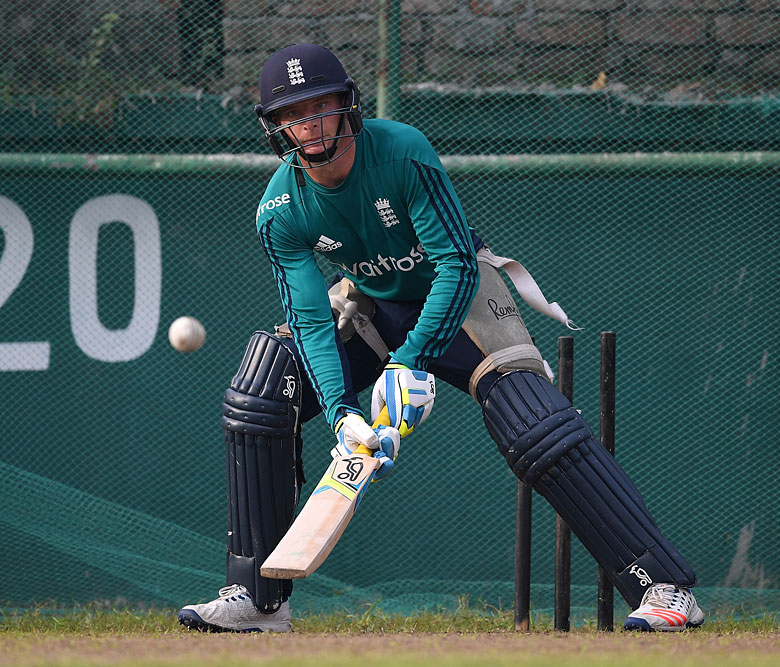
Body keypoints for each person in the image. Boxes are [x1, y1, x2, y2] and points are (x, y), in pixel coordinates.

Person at [177, 43, 704, 634]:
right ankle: (256, 600)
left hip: (458, 297)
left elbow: (454, 263)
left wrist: (411, 362)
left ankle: (662, 588)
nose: (312, 125)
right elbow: (308, 317)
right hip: (372, 303)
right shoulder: (279, 210)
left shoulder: (402, 149)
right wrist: (341, 413)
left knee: (534, 425)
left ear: (346, 107)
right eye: (296, 115)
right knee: (265, 386)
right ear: (276, 127)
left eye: (321, 107)